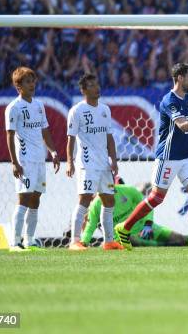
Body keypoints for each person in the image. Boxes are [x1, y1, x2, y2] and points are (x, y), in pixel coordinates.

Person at [115, 62, 188, 251]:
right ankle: (125, 227)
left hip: (186, 156)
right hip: (168, 157)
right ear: (179, 78)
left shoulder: (185, 97)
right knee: (156, 198)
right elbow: (183, 125)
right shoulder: (169, 100)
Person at [5, 67, 60, 252]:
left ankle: (30, 240)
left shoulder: (39, 105)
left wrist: (53, 152)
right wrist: (14, 162)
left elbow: (45, 130)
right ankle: (15, 242)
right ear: (18, 86)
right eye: (28, 81)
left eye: (33, 80)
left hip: (39, 160)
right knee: (24, 199)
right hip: (25, 161)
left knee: (36, 199)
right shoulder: (13, 108)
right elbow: (10, 135)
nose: (32, 84)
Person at [66, 73, 123, 251]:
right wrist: (69, 162)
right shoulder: (77, 111)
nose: (97, 88)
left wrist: (113, 160)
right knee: (84, 199)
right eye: (91, 85)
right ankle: (74, 241)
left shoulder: (105, 110)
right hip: (87, 163)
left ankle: (108, 241)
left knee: (109, 200)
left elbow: (109, 137)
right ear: (83, 90)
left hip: (103, 164)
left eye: (97, 84)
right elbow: (71, 139)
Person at [81, 177, 188, 247]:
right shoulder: (96, 204)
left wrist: (148, 224)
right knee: (134, 241)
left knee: (179, 239)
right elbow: (90, 227)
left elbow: (148, 205)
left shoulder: (129, 190)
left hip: (146, 229)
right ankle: (165, 245)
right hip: (123, 237)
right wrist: (83, 242)